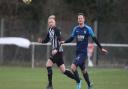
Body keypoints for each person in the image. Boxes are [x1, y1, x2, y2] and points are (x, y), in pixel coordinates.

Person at [61, 13, 108, 89]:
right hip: (77, 53)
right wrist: (64, 42)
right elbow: (71, 38)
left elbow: (94, 38)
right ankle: (89, 84)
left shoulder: (88, 29)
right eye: (78, 18)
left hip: (83, 53)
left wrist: (101, 48)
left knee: (73, 67)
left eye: (81, 18)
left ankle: (78, 82)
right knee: (83, 70)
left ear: (84, 19)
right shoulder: (75, 29)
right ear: (77, 20)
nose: (80, 19)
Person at [38, 15, 77, 89]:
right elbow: (46, 40)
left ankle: (50, 85)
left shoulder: (57, 30)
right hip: (56, 52)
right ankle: (77, 79)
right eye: (49, 22)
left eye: (52, 22)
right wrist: (41, 41)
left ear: (55, 22)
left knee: (48, 65)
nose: (50, 23)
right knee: (64, 70)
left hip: (58, 51)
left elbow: (60, 41)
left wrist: (56, 49)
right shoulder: (49, 30)